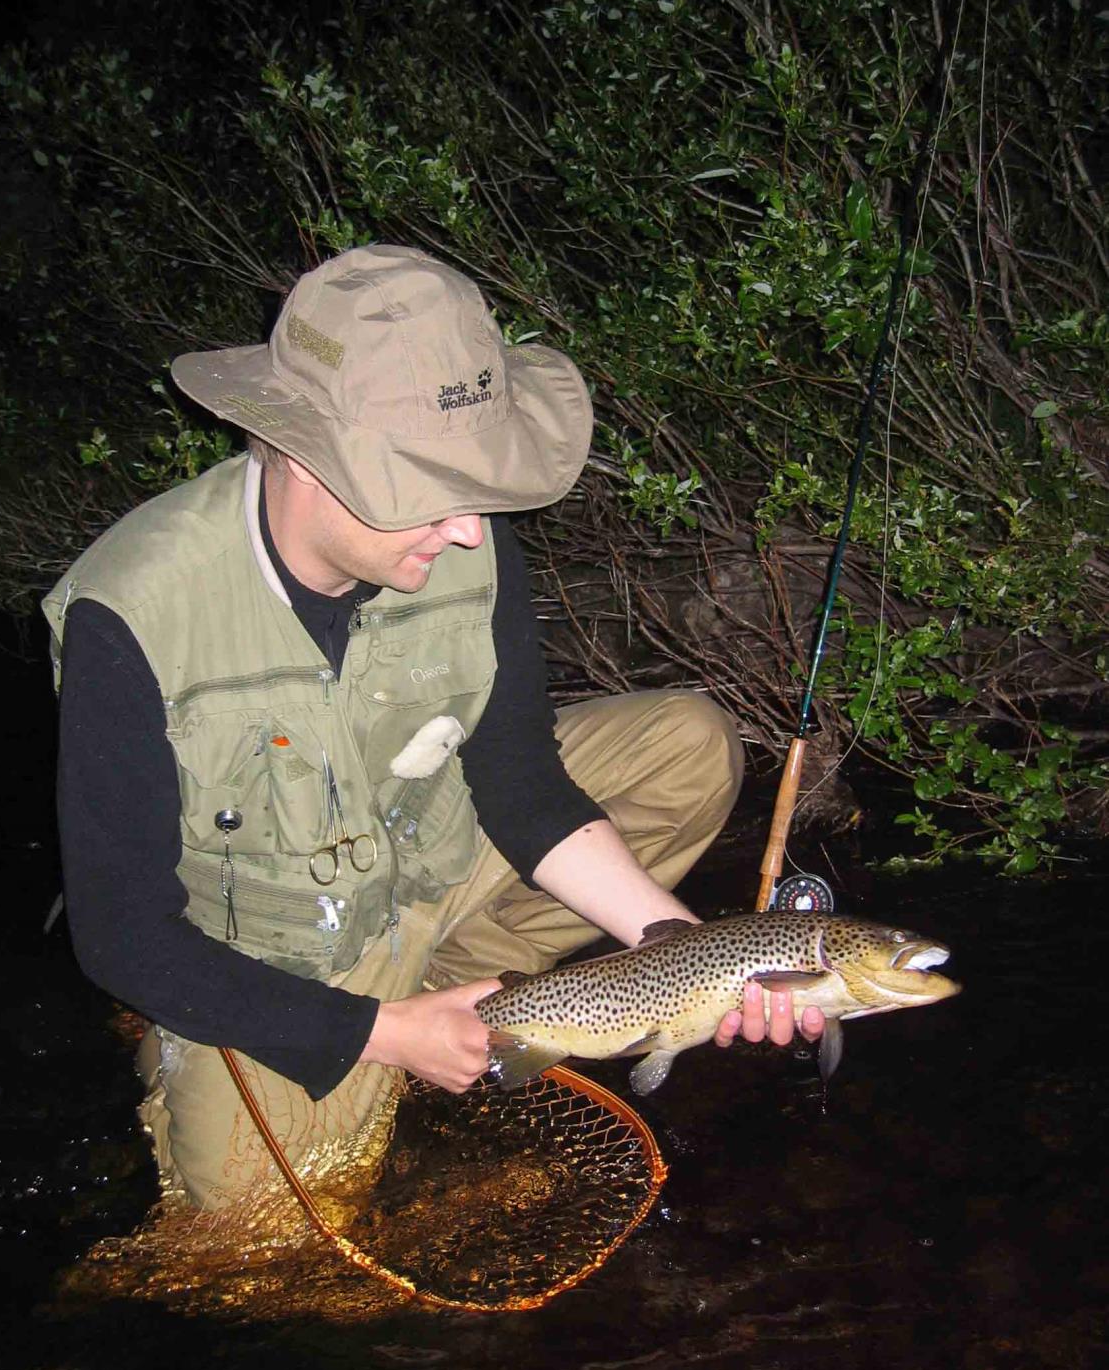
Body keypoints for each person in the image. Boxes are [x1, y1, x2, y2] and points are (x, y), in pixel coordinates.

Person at [45, 245, 823, 1211]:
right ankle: (254, 1041)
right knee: (254, 1240)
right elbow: (120, 936)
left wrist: (687, 952)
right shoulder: (131, 615)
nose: (468, 531)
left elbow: (523, 787)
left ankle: (462, 986)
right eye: (432, 487)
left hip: (430, 857)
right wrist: (384, 1031)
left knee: (690, 746)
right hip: (290, 955)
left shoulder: (465, 536)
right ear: (302, 456)